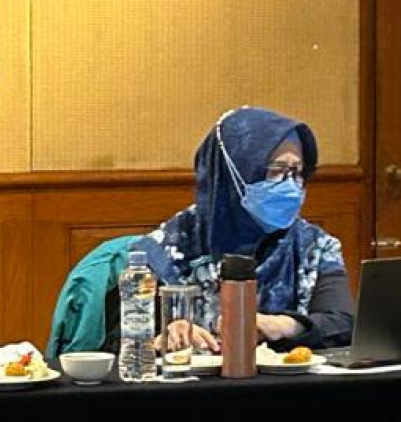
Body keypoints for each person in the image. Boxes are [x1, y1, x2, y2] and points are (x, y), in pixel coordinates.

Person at [131, 106, 354, 352]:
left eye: (297, 173)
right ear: (231, 174)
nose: (290, 186)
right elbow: (123, 339)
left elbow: (342, 322)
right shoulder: (166, 249)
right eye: (276, 171)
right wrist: (167, 333)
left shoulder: (314, 245)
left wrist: (286, 325)